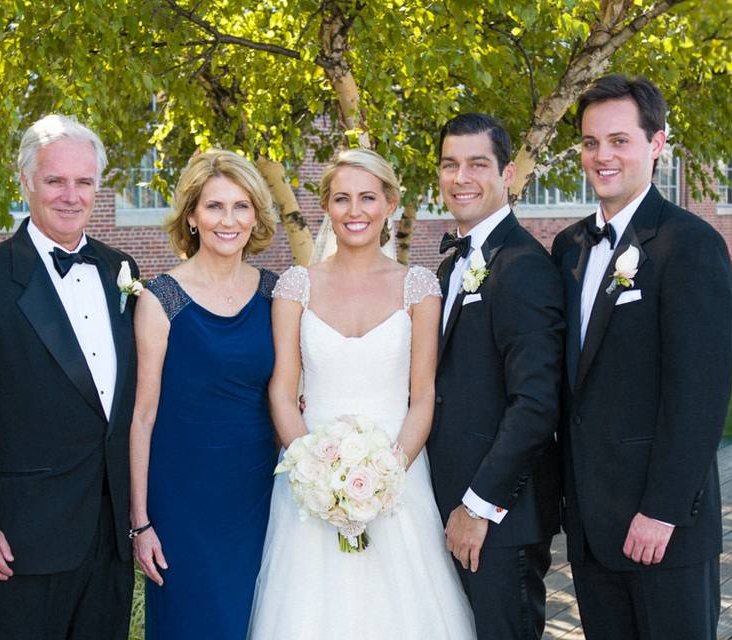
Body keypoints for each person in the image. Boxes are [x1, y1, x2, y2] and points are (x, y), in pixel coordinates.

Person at [249, 148, 476, 639]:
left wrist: (385, 475)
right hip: (309, 481)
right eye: (342, 199)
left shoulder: (418, 287)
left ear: (390, 203)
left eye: (368, 198)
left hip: (398, 476)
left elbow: (422, 396)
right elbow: (283, 393)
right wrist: (316, 473)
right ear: (327, 207)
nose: (355, 211)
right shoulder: (295, 286)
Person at [0, 114, 137, 639]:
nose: (71, 195)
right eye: (55, 180)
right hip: (18, 540)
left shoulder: (120, 271)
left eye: (84, 181)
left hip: (109, 539)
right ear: (26, 182)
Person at [550, 74, 732, 639]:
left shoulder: (689, 244)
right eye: (589, 142)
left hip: (662, 527)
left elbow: (700, 394)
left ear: (656, 144)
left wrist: (663, 509)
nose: (602, 156)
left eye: (619, 140)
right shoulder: (569, 247)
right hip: (591, 525)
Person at [129, 149, 278, 640]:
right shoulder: (161, 299)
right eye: (214, 206)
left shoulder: (278, 294)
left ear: (256, 214)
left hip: (260, 496)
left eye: (241, 206)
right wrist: (141, 522)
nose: (228, 220)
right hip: (183, 504)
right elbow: (143, 417)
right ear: (191, 216)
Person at [428, 113, 565, 639]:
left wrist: (478, 506)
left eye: (477, 164)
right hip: (447, 503)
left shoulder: (523, 265)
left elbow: (535, 403)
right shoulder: (451, 266)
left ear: (507, 173)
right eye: (450, 164)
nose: (461, 177)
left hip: (497, 516)